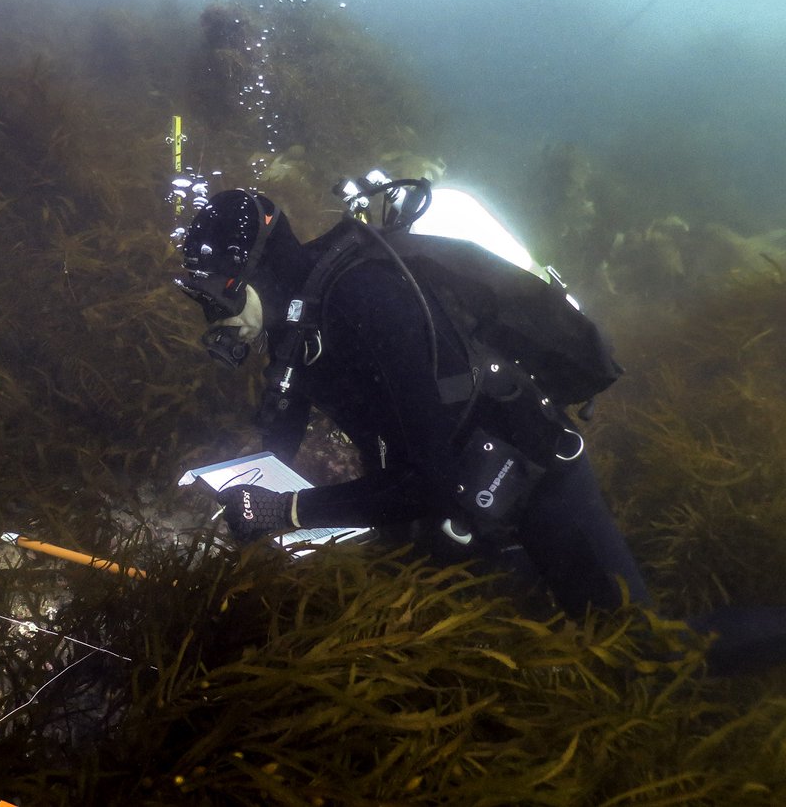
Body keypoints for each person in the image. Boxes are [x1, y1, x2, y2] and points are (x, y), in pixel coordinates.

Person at [176, 187, 786, 674]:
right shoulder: (296, 329)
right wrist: (232, 499)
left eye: (215, 301)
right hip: (464, 489)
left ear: (255, 271)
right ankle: (527, 570)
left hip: (533, 473)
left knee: (644, 655)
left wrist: (287, 512)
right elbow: (279, 437)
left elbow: (429, 482)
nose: (215, 320)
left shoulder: (368, 298)